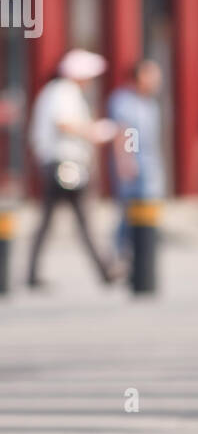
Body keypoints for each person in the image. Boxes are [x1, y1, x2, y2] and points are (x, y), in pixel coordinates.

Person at [26, 48, 119, 288]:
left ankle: (33, 273)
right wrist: (94, 131)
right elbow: (64, 123)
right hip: (64, 164)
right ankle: (105, 268)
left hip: (60, 163)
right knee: (81, 216)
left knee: (53, 220)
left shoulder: (59, 91)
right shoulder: (63, 91)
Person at [107, 59, 166, 262]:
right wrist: (126, 160)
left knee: (149, 209)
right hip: (133, 166)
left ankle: (144, 252)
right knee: (129, 212)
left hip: (150, 166)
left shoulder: (149, 103)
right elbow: (124, 132)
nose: (157, 81)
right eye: (152, 76)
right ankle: (123, 252)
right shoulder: (124, 101)